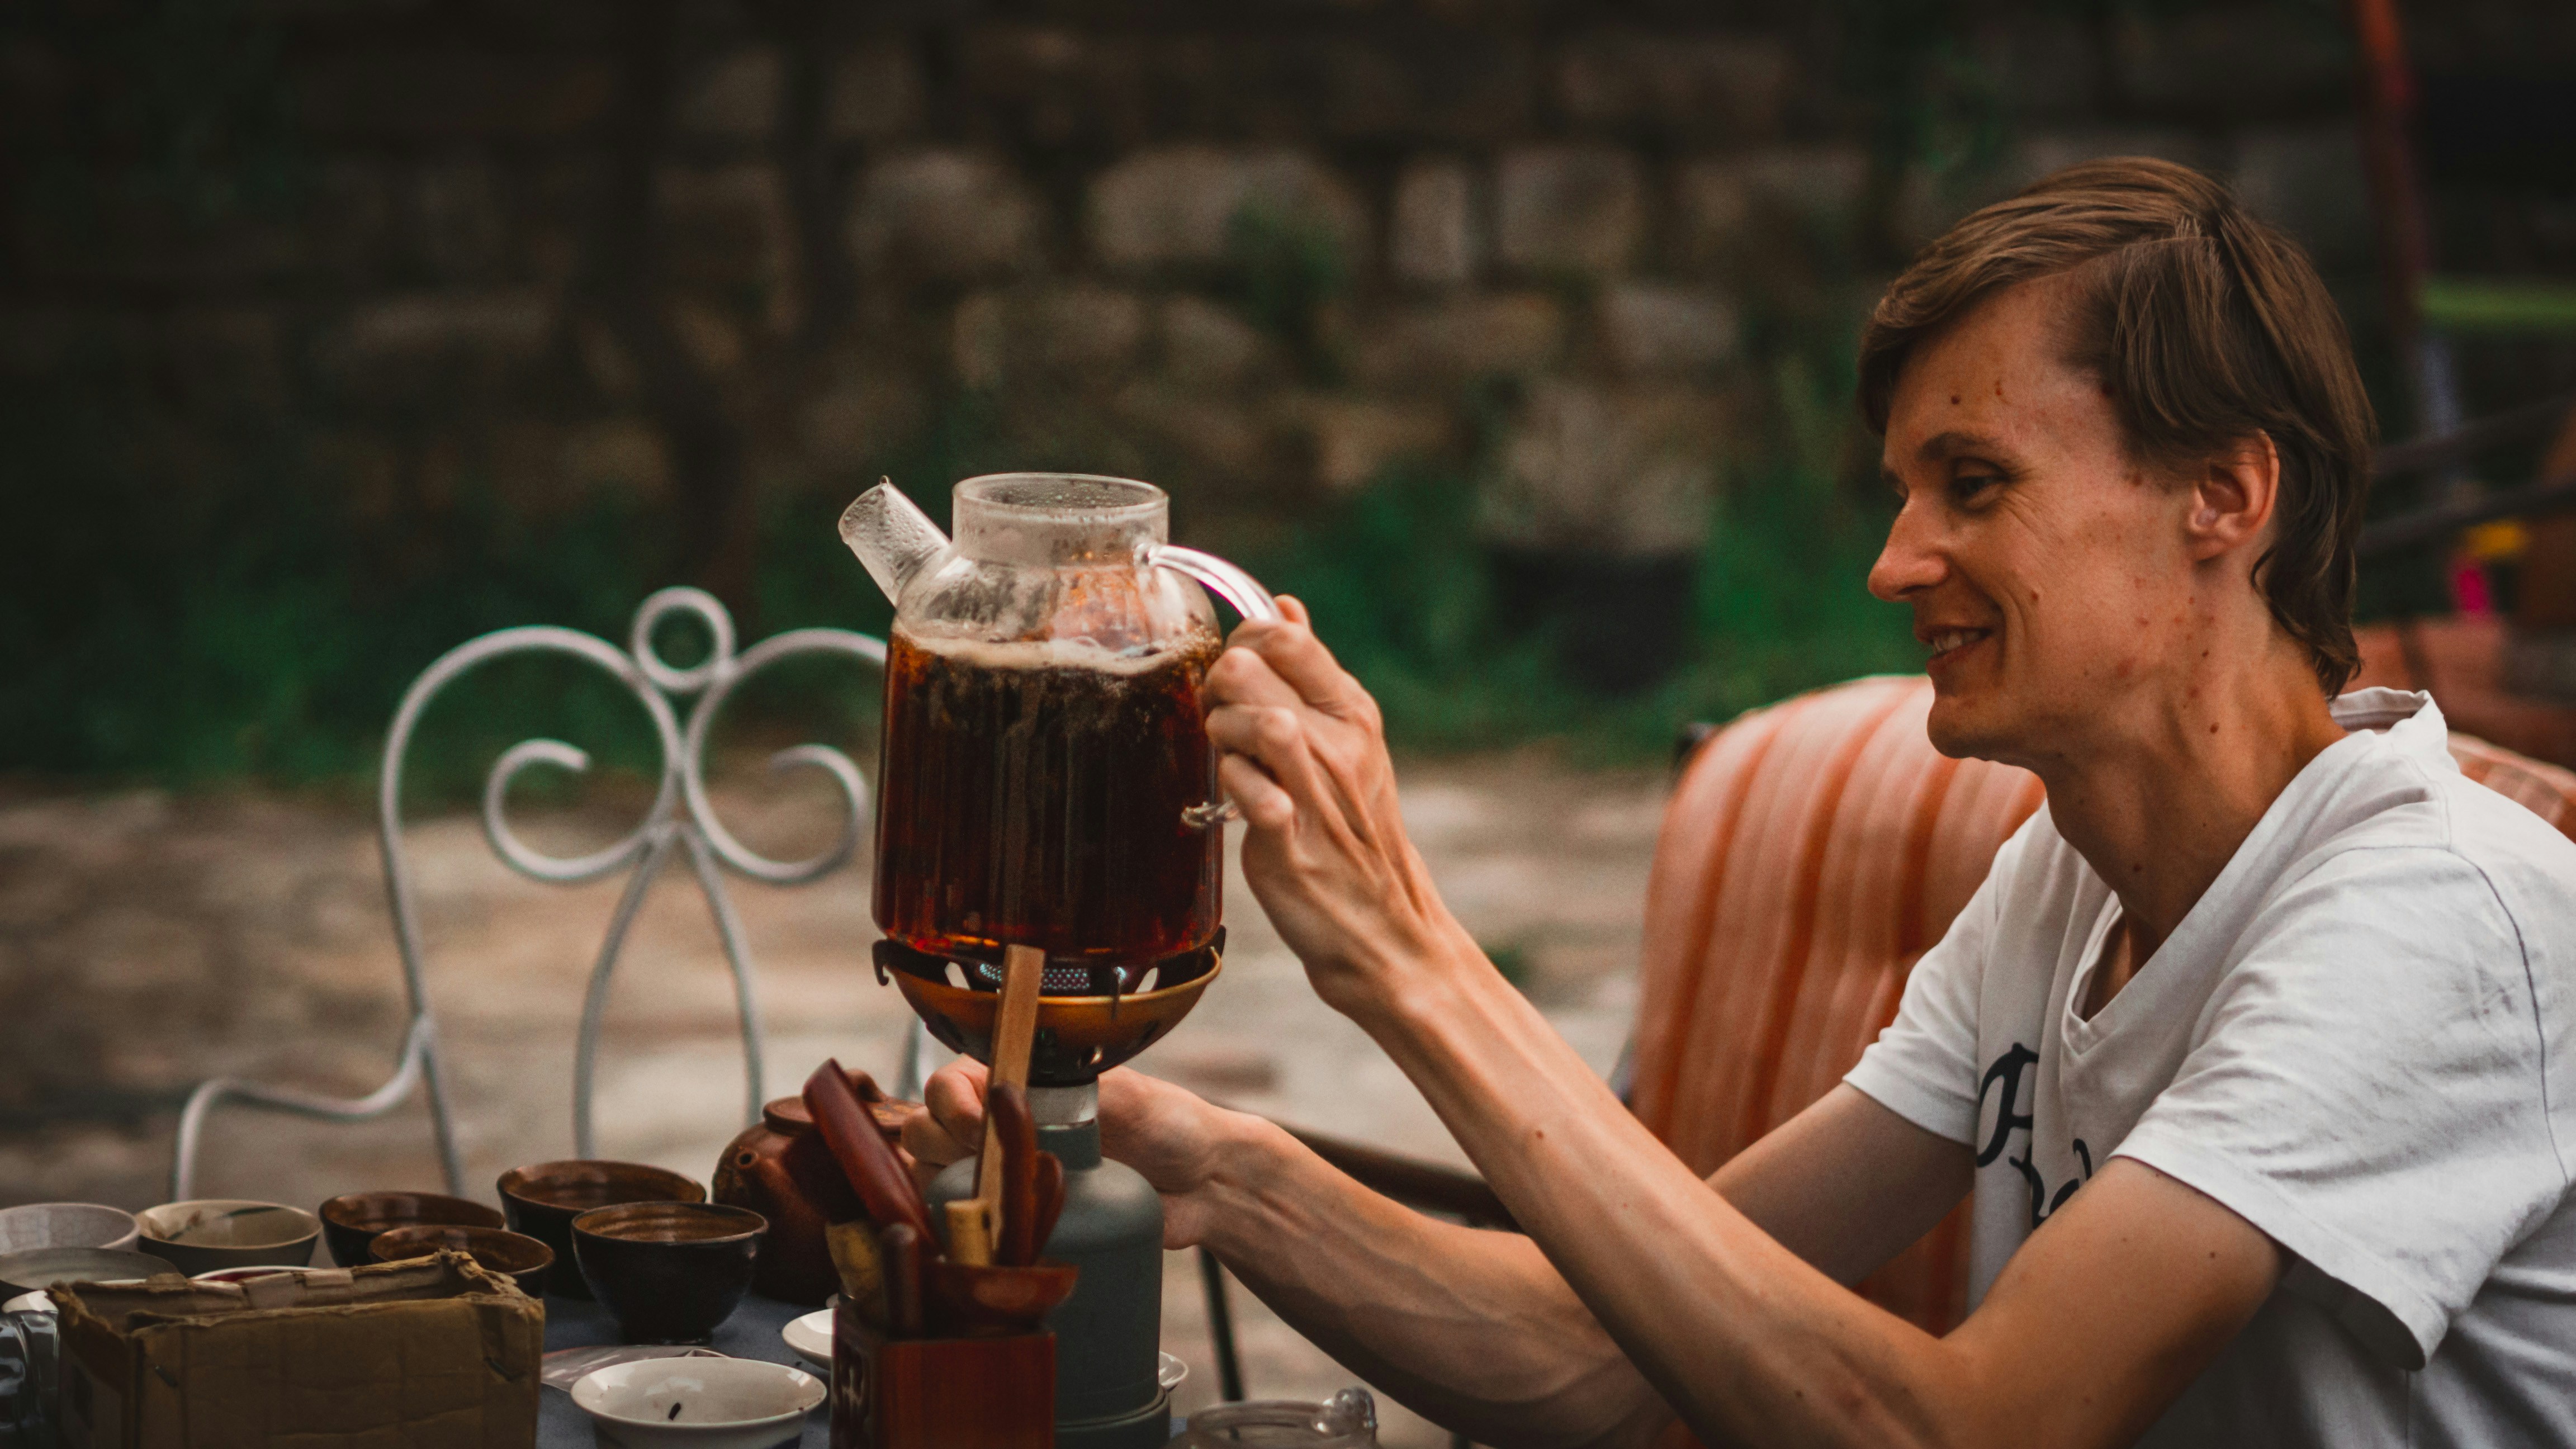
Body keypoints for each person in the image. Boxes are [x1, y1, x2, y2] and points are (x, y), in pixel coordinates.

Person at [903, 158, 2576, 1447]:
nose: (1891, 562)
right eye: (1904, 492)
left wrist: (1408, 954)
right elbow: (1592, 1357)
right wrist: (1218, 1172)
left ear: (2226, 495)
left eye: (1974, 485)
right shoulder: (2070, 886)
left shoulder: (2429, 915)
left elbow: (1963, 1427)